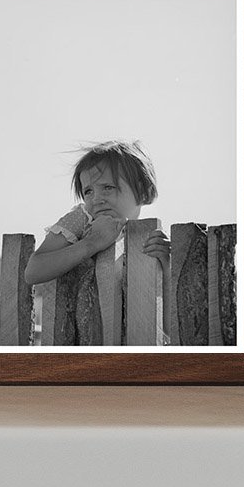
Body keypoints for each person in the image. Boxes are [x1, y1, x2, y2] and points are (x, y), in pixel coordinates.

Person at [23, 140, 173, 344]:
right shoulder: (83, 219)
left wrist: (167, 264)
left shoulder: (150, 236)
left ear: (142, 191)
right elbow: (33, 271)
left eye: (108, 188)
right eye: (88, 191)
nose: (96, 199)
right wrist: (90, 244)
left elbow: (170, 323)